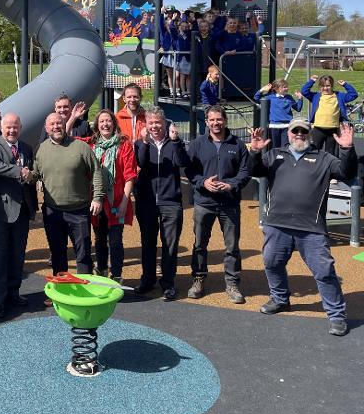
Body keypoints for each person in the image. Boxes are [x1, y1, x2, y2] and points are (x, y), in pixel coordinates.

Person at [249, 120, 356, 336]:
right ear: (288, 134)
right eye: (295, 131)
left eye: (303, 131)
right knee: (272, 263)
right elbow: (255, 170)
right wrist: (254, 151)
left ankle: (336, 315)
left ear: (309, 134)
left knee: (324, 271)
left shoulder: (324, 158)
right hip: (277, 224)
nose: (299, 134)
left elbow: (347, 171)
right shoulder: (274, 155)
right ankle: (280, 300)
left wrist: (346, 149)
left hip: (311, 228)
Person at [32, 113, 105, 306]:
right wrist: (26, 175)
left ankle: (84, 291)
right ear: (46, 129)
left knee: (82, 253)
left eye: (59, 123)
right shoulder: (42, 150)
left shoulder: (81, 147)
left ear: (66, 125)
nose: (56, 126)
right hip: (52, 211)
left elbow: (96, 171)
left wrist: (97, 197)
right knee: (57, 253)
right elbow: (36, 174)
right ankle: (61, 292)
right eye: (52, 124)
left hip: (79, 210)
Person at [185, 105, 251, 303]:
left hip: (229, 203)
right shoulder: (197, 144)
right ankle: (198, 278)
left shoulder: (237, 144)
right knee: (199, 244)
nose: (216, 123)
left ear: (225, 121)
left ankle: (232, 283)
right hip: (204, 202)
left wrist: (232, 185)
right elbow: (189, 171)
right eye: (212, 120)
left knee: (232, 246)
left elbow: (245, 172)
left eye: (219, 119)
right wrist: (203, 182)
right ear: (206, 122)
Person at [0, 113, 37, 318]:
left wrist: (30, 177)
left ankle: (14, 292)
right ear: (2, 128)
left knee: (17, 254)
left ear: (20, 127)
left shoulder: (27, 148)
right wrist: (19, 172)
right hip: (0, 213)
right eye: (8, 127)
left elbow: (30, 173)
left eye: (15, 127)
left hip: (22, 211)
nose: (12, 130)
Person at [133, 107, 189, 299]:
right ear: (146, 125)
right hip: (146, 201)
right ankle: (148, 279)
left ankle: (168, 283)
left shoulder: (173, 142)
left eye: (158, 122)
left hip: (170, 201)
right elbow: (140, 163)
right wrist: (144, 143)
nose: (155, 126)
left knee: (170, 244)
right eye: (151, 123)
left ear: (164, 123)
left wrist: (176, 142)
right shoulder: (141, 143)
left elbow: (182, 162)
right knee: (148, 242)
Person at [77, 110, 137, 283]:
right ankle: (102, 270)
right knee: (99, 238)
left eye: (108, 121)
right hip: (96, 200)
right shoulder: (91, 144)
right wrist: (73, 118)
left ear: (114, 123)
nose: (105, 124)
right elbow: (67, 138)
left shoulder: (124, 145)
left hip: (117, 200)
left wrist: (126, 202)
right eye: (102, 121)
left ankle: (116, 275)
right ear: (97, 125)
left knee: (116, 240)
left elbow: (130, 175)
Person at [300, 75, 358, 154]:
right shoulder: (316, 96)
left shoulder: (339, 96)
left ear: (332, 86)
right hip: (318, 129)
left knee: (331, 154)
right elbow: (304, 91)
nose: (325, 88)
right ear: (320, 86)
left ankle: (330, 166)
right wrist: (311, 81)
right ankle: (315, 166)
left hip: (333, 130)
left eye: (328, 86)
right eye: (323, 86)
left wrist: (345, 84)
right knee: (314, 152)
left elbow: (353, 95)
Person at [254, 80, 303, 149]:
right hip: (274, 126)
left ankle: (285, 159)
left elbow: (298, 108)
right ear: (277, 89)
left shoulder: (289, 97)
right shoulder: (270, 97)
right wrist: (262, 90)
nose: (287, 88)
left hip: (287, 127)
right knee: (275, 147)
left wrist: (300, 98)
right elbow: (256, 98)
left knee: (285, 146)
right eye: (284, 87)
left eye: (287, 87)